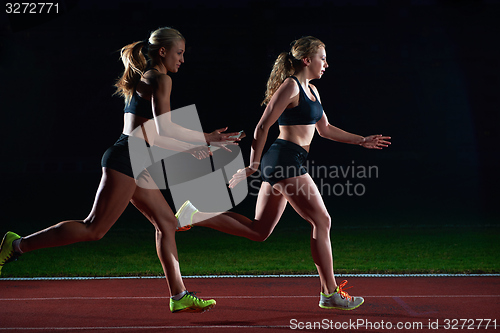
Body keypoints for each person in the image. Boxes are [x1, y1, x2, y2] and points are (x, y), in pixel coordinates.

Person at [0, 27, 239, 314]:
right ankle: (17, 245)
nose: (183, 60)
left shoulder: (148, 76)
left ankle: (179, 295)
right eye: (180, 53)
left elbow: (152, 135)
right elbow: (162, 130)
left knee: (166, 223)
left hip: (135, 157)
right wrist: (206, 138)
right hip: (128, 158)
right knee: (94, 229)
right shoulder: (160, 78)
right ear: (163, 51)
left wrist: (194, 145)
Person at [175, 36, 391, 310]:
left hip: (287, 160)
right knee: (322, 220)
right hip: (284, 159)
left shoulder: (312, 91)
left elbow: (324, 130)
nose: (326, 63)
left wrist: (361, 140)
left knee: (259, 231)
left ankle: (194, 214)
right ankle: (329, 292)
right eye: (322, 58)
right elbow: (262, 126)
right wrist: (253, 165)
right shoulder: (290, 86)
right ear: (307, 59)